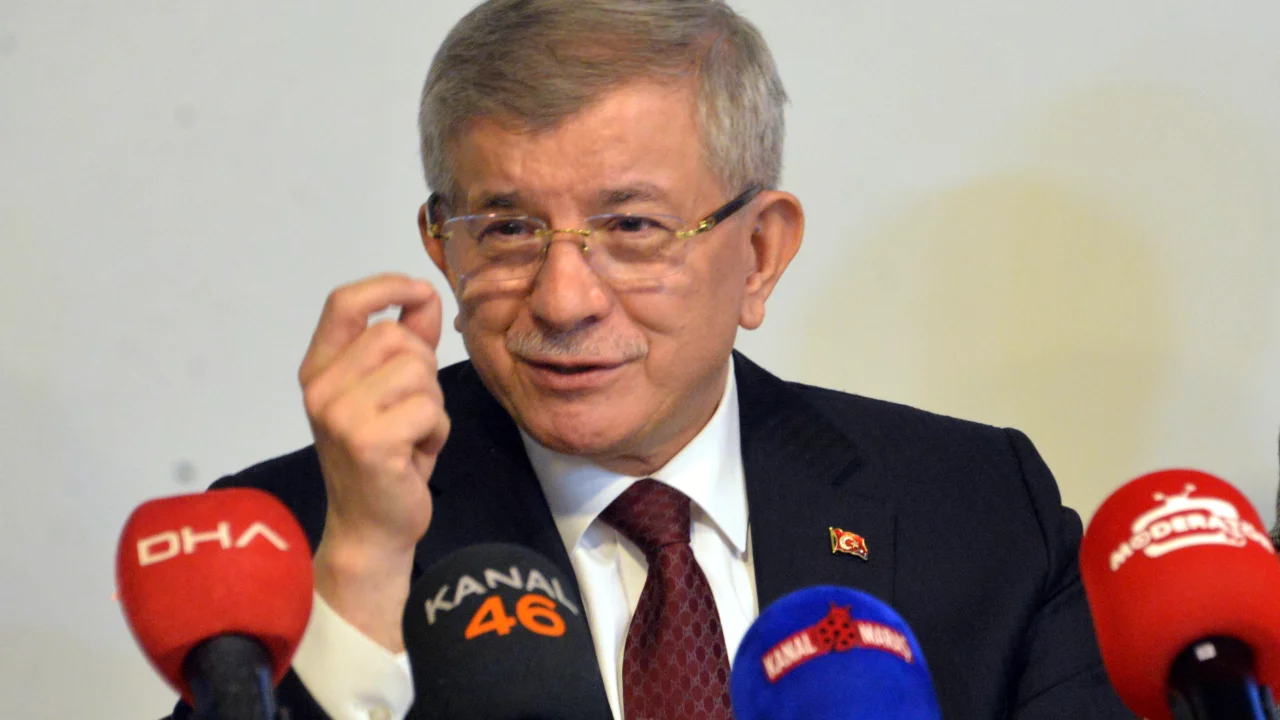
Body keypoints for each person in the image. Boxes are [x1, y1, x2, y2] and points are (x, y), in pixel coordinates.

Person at [170, 1, 1133, 718]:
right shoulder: (295, 540)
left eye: (631, 227)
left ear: (760, 254)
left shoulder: (976, 509)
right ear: (442, 247)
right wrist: (365, 563)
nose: (563, 300)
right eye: (507, 229)